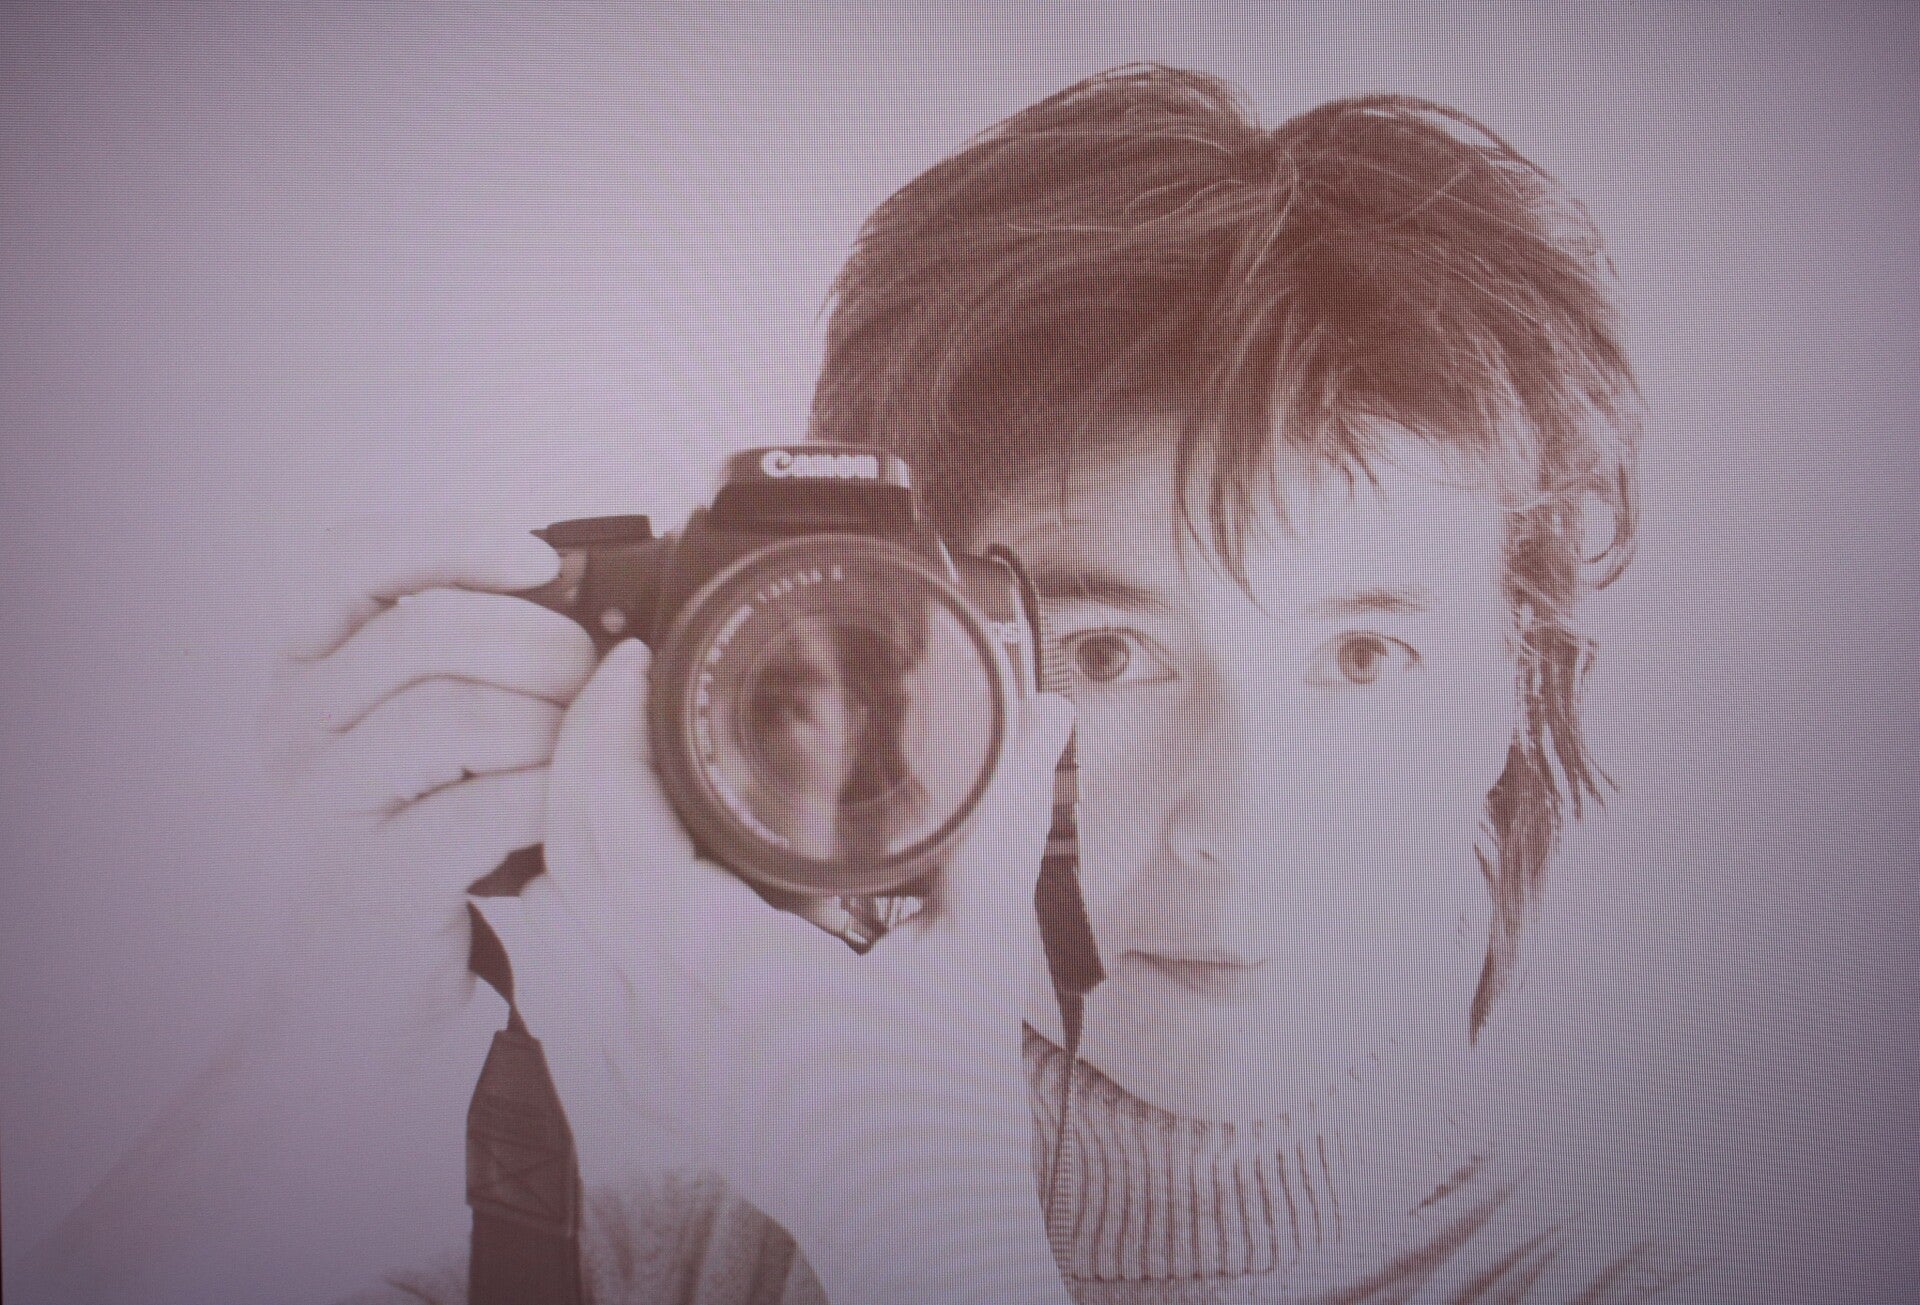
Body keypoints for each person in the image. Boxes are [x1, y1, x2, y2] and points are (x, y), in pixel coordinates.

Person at [22, 66, 1688, 1304]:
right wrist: (321, 1034)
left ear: (1512, 695)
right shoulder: (622, 1266)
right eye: (1104, 653)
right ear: (897, 667)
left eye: (1366, 655)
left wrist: (922, 1224)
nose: (1237, 826)